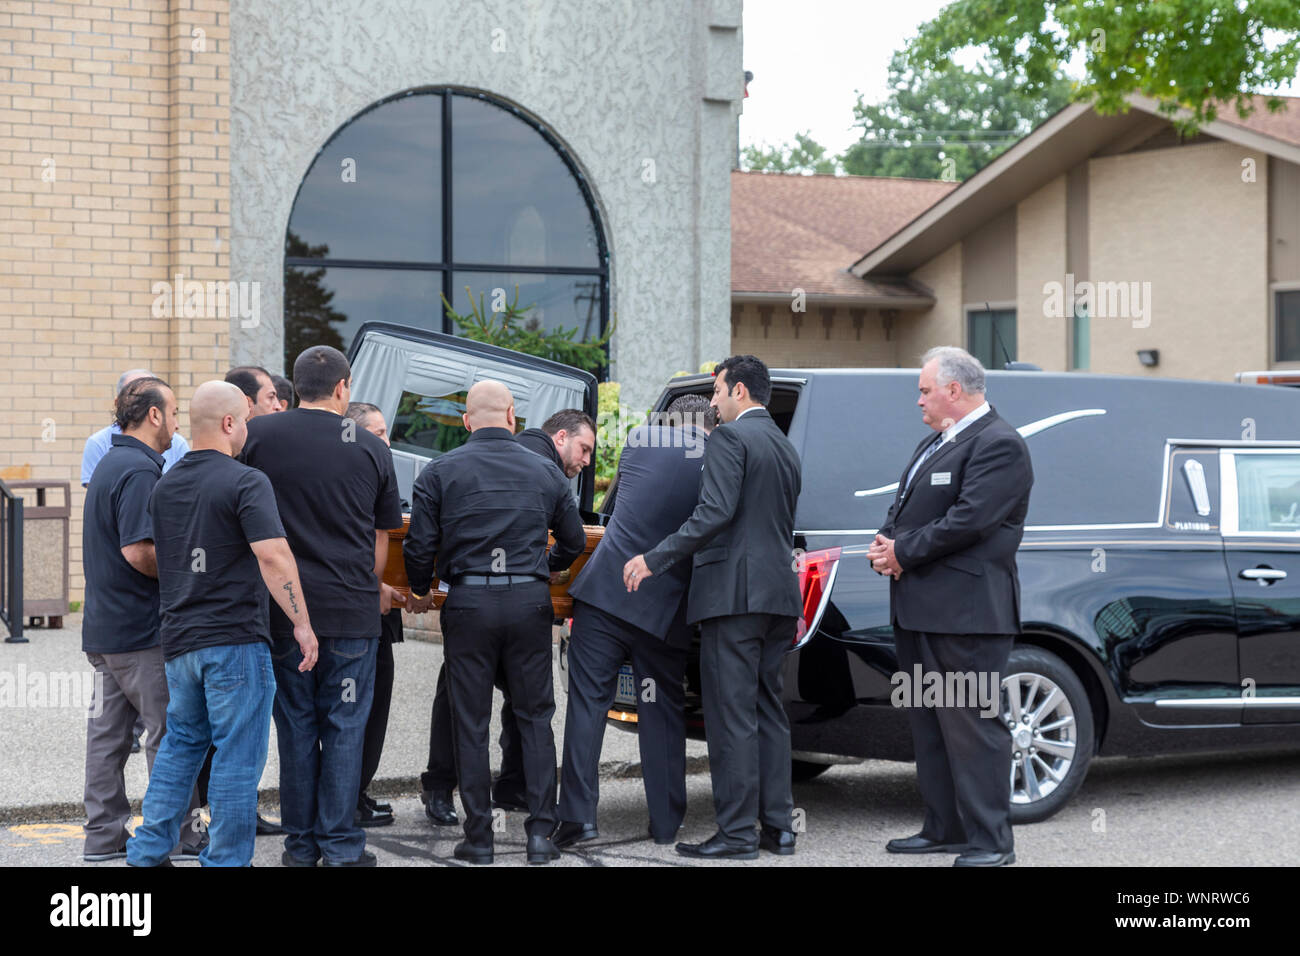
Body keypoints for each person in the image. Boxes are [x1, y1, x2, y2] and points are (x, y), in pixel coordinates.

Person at [126, 382, 320, 867]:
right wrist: (302, 623)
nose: (249, 431)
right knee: (237, 757)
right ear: (230, 423)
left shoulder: (164, 486)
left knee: (180, 748)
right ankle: (228, 861)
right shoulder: (246, 481)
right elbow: (273, 556)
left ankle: (146, 853)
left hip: (180, 643)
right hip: (234, 642)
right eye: (247, 420)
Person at [624, 355, 802, 860]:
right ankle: (778, 828)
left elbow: (715, 513)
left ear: (740, 391)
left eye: (719, 391)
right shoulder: (785, 446)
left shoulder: (729, 438)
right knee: (768, 711)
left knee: (731, 718)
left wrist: (655, 558)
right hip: (778, 598)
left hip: (733, 597)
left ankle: (737, 835)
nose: (715, 403)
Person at [404, 381, 585, 865]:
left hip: (468, 604)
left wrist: (423, 588)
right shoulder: (545, 470)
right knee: (535, 718)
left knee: (471, 721)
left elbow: (418, 548)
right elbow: (572, 540)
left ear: (466, 421)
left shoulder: (441, 472)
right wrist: (544, 569)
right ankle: (541, 836)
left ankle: (479, 837)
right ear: (512, 416)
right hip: (528, 602)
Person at [868, 346, 1033, 868]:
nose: (918, 399)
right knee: (931, 725)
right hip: (920, 611)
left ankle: (992, 843)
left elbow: (970, 520)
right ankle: (945, 828)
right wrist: (886, 542)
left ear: (954, 390)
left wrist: (903, 552)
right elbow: (910, 509)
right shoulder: (938, 441)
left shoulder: (1000, 444)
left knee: (972, 727)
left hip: (967, 616)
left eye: (924, 389)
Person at [241, 345, 403, 867]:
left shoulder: (258, 435)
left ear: (295, 387)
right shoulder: (372, 448)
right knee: (345, 728)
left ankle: (300, 846)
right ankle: (339, 845)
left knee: (295, 727)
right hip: (351, 613)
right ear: (342, 388)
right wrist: (364, 582)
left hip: (282, 614)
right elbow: (383, 538)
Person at [554, 395, 714, 849]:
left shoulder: (640, 439)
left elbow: (611, 510)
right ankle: (665, 823)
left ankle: (579, 820)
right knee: (662, 714)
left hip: (604, 595)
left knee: (587, 707)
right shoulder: (718, 458)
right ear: (709, 424)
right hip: (664, 612)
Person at [80, 376, 204, 861]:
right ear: (154, 415)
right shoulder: (137, 471)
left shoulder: (112, 462)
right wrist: (185, 576)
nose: (176, 422)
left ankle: (103, 837)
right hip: (141, 633)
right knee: (172, 736)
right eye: (174, 412)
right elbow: (138, 551)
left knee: (108, 740)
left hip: (106, 630)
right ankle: (182, 835)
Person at [344, 401, 406, 828]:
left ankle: (356, 792)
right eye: (379, 431)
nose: (387, 440)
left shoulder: (372, 467)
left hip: (374, 608)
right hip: (362, 607)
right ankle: (349, 797)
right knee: (361, 708)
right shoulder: (361, 471)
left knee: (370, 708)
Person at [82, 368, 190, 486]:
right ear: (154, 415)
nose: (177, 425)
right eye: (173, 414)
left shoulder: (113, 456)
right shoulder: (142, 470)